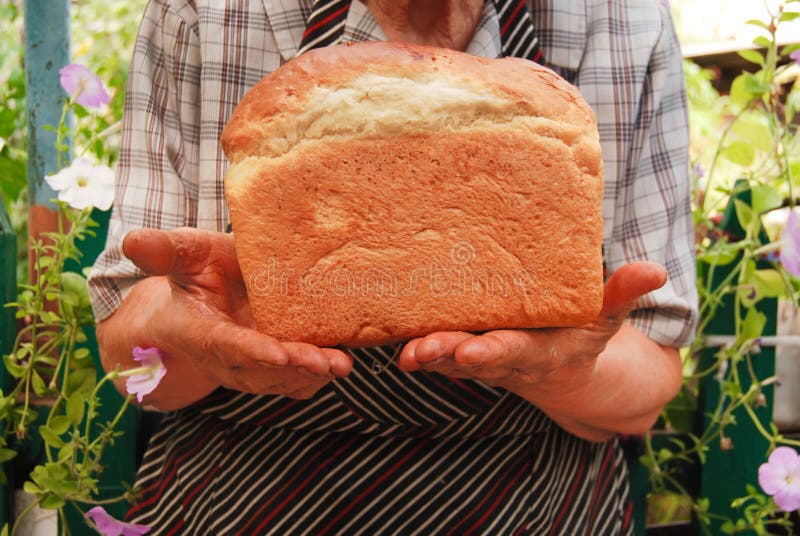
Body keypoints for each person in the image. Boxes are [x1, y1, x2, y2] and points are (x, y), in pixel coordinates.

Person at [88, 0, 698, 533]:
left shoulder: (622, 19)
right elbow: (127, 362)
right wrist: (188, 333)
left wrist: (560, 373)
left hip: (534, 501)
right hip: (250, 498)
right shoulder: (205, 11)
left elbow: (648, 380)